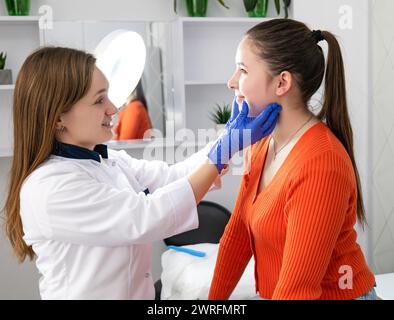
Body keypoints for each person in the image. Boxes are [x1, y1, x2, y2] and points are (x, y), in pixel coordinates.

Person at [3, 46, 281, 299]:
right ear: (58, 118)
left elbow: (173, 176)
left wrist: (226, 143)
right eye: (99, 101)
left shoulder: (108, 160)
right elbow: (146, 216)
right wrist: (224, 149)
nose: (113, 108)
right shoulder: (49, 188)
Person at [208, 19, 377, 300]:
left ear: (282, 82)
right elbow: (237, 236)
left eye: (243, 70)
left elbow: (297, 290)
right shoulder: (261, 144)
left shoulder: (321, 164)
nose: (232, 81)